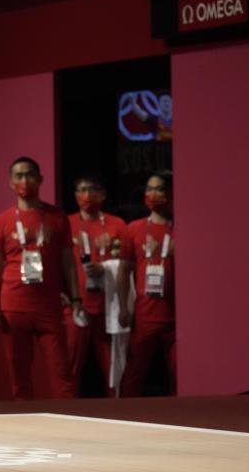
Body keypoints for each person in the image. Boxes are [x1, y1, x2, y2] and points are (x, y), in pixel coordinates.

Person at [0, 157, 83, 400]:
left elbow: (68, 262)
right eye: (18, 176)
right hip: (14, 306)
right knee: (20, 375)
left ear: (40, 179)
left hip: (49, 306)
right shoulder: (3, 220)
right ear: (10, 183)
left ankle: (71, 424)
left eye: (29, 175)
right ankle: (23, 424)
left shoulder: (57, 217)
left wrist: (75, 297)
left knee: (62, 373)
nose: (24, 180)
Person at [66, 174, 130, 396]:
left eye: (91, 189)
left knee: (113, 366)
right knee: (70, 365)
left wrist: (105, 267)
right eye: (81, 190)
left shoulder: (117, 225)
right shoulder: (67, 224)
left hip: (108, 305)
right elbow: (57, 263)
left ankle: (117, 411)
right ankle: (65, 412)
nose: (86, 195)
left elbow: (127, 264)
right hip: (78, 306)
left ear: (102, 194)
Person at [119, 170, 176, 396]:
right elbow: (124, 270)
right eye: (149, 189)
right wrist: (124, 306)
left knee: (178, 372)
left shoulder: (182, 227)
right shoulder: (133, 228)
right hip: (145, 313)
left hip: (176, 315)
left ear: (171, 194)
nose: (152, 194)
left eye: (159, 189)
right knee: (134, 371)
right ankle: (125, 415)